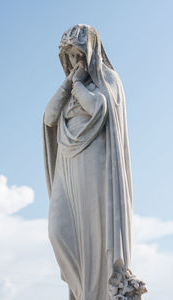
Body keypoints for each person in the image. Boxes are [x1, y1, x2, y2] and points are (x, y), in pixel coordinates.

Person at [43, 24, 147, 300]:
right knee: (58, 233)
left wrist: (77, 85)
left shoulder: (108, 79)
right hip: (66, 164)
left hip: (94, 160)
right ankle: (85, 293)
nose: (77, 63)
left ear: (91, 54)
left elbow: (99, 108)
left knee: (94, 232)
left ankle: (97, 292)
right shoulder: (67, 90)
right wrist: (68, 84)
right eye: (71, 57)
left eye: (80, 55)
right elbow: (50, 118)